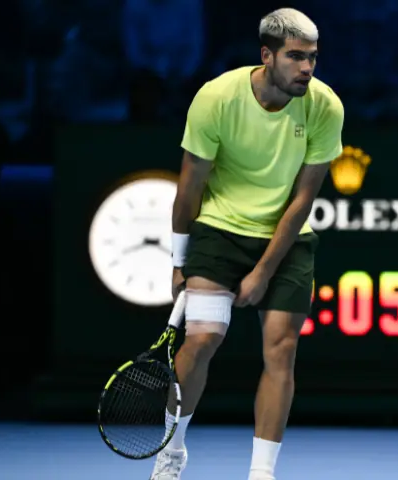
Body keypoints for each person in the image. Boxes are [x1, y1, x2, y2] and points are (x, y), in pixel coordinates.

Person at [151, 8, 344, 480]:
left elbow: (302, 200)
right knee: (201, 340)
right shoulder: (216, 98)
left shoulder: (325, 106)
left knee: (281, 350)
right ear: (267, 55)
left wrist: (262, 271)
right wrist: (180, 263)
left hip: (287, 238)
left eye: (313, 58)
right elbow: (189, 189)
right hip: (219, 230)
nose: (306, 68)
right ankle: (172, 449)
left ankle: (262, 474)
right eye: (295, 56)